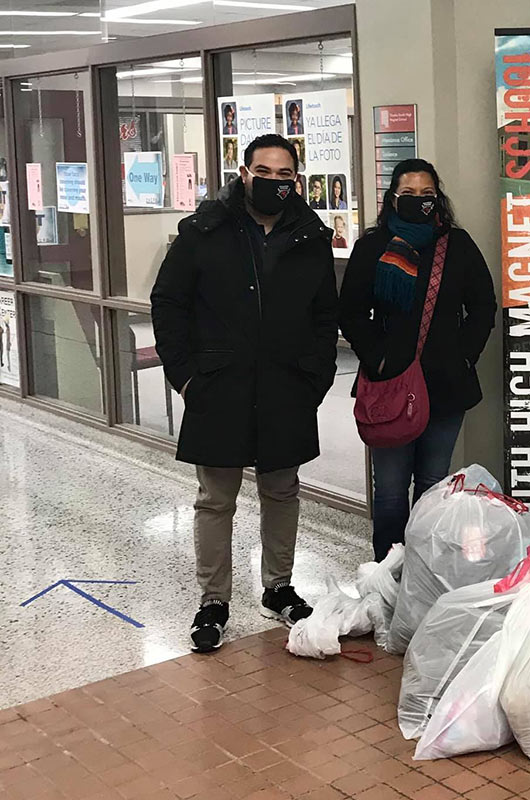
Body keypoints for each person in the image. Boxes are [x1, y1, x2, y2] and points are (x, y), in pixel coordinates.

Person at [150, 133, 338, 654]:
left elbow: (326, 316)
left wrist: (315, 378)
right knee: (215, 500)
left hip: (286, 388)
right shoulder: (204, 232)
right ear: (243, 174)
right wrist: (186, 377)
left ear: (295, 180)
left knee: (282, 492)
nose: (274, 182)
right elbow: (167, 303)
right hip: (218, 387)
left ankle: (278, 589)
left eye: (285, 176)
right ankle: (214, 601)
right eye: (264, 172)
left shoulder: (310, 236)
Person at [339, 158, 497, 562]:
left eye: (426, 195)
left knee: (432, 486)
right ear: (392, 198)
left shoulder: (456, 246)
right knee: (390, 492)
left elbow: (482, 305)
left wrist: (464, 356)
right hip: (388, 387)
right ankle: (388, 576)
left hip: (444, 387)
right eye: (407, 194)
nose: (417, 201)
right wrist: (379, 359)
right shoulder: (372, 247)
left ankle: (424, 576)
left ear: (438, 199)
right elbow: (351, 312)